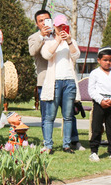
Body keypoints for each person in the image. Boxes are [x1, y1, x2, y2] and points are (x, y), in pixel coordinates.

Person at [40, 14, 82, 154]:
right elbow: (46, 55)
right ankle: (48, 145)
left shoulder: (71, 41)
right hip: (55, 82)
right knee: (50, 116)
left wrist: (69, 42)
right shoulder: (49, 41)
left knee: (68, 116)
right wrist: (57, 41)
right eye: (58, 26)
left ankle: (66, 145)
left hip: (69, 81)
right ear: (54, 27)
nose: (61, 29)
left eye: (63, 26)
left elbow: (76, 56)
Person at [88, 47, 111, 162]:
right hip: (99, 103)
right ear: (99, 60)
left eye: (110, 60)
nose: (108, 62)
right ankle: (94, 151)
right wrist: (101, 100)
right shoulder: (95, 73)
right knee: (97, 127)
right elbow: (91, 90)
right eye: (105, 60)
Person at [28, 9, 52, 141]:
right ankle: (47, 140)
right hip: (44, 80)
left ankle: (72, 141)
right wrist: (42, 37)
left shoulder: (58, 35)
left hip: (60, 79)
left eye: (46, 20)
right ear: (37, 24)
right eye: (40, 21)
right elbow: (33, 51)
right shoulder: (34, 37)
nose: (44, 23)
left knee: (68, 114)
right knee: (46, 114)